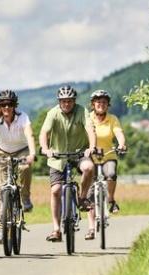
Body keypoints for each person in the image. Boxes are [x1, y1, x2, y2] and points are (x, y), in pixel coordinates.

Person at [39, 85, 96, 242]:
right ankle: (56, 229)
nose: (66, 104)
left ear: (74, 101)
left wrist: (91, 147)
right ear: (59, 102)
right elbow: (44, 132)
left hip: (79, 153)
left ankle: (82, 197)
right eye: (63, 101)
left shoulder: (81, 111)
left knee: (89, 167)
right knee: (56, 190)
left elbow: (90, 129)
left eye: (69, 101)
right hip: (57, 156)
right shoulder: (53, 113)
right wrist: (45, 149)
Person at [0, 90, 36, 244]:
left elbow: (30, 135)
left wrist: (32, 154)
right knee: (0, 191)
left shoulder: (23, 117)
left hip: (22, 151)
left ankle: (25, 198)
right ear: (0, 106)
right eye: (4, 104)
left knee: (25, 169)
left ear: (14, 106)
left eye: (10, 104)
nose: (7, 107)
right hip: (2, 153)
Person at [84, 90, 127, 240]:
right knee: (89, 194)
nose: (101, 105)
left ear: (108, 105)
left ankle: (111, 200)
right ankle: (90, 228)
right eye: (98, 102)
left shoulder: (112, 119)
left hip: (108, 154)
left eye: (104, 102)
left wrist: (121, 144)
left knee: (111, 174)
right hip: (91, 157)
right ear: (93, 105)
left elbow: (119, 133)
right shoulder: (88, 118)